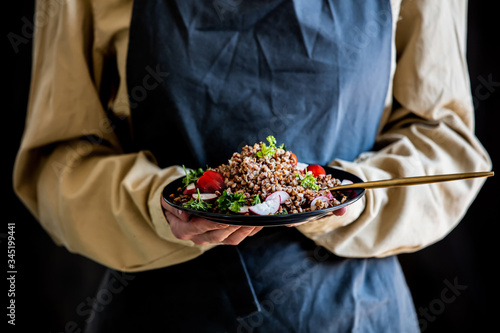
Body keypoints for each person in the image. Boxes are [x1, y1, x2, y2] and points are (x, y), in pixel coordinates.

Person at [13, 0, 491, 332]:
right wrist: (153, 203)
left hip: (352, 311)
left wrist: (355, 194)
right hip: (165, 312)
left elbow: (445, 141)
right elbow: (58, 158)